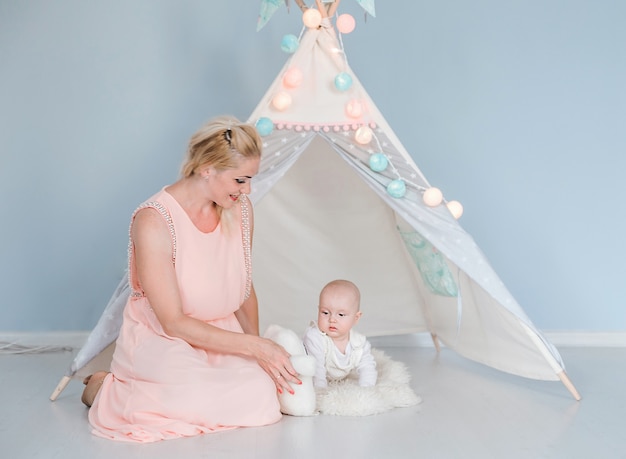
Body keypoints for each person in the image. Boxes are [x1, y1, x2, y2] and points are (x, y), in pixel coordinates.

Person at [81, 115, 301, 443]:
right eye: (241, 180)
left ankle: (154, 390)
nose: (248, 190)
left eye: (251, 179)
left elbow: (243, 288)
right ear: (207, 168)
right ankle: (104, 388)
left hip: (220, 332)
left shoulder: (240, 209)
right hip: (164, 336)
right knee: (186, 395)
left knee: (262, 397)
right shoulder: (154, 220)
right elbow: (173, 322)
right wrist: (257, 346)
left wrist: (256, 355)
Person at [302, 279, 377, 388]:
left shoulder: (358, 344)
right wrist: (320, 390)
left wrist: (367, 387)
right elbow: (316, 369)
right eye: (325, 312)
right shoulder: (315, 337)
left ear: (356, 318)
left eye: (341, 315)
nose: (332, 319)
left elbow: (368, 367)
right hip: (307, 371)